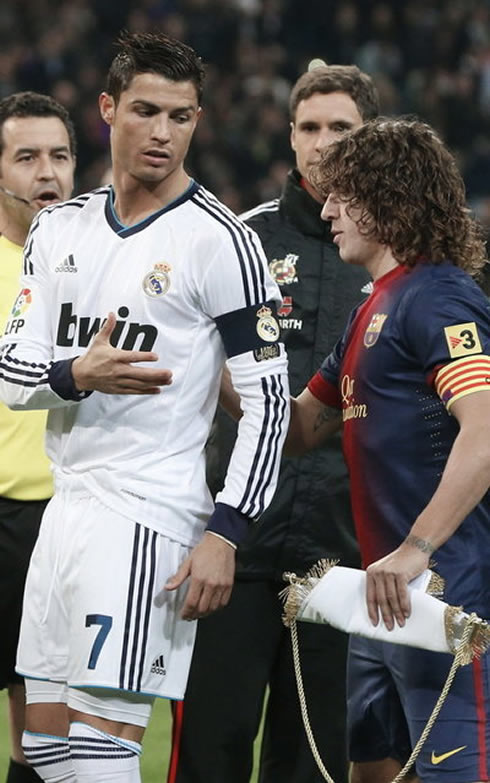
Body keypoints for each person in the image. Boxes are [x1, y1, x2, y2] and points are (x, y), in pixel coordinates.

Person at [0, 31, 289, 783]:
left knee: (102, 749)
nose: (163, 133)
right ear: (107, 109)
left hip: (146, 517)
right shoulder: (58, 229)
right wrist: (76, 372)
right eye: (146, 111)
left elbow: (269, 402)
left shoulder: (221, 241)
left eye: (182, 116)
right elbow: (8, 369)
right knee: (50, 752)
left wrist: (227, 528)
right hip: (65, 513)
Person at [168, 64, 379, 783]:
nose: (323, 144)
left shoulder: (394, 263)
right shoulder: (240, 241)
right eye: (310, 128)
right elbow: (196, 370)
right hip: (238, 544)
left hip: (344, 555)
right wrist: (262, 416)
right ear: (289, 136)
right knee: (211, 752)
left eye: (341, 128)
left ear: (371, 138)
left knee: (312, 762)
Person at [285, 117, 490, 783]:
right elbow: (299, 427)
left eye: (342, 194)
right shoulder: (371, 304)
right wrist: (206, 365)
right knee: (371, 769)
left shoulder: (438, 294)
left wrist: (418, 546)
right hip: (382, 591)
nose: (326, 209)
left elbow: (485, 429)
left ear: (386, 198)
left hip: (445, 589)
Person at [0, 91, 76, 783]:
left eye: (58, 155)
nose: (45, 172)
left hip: (63, 518)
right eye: (26, 156)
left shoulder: (100, 266)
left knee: (47, 735)